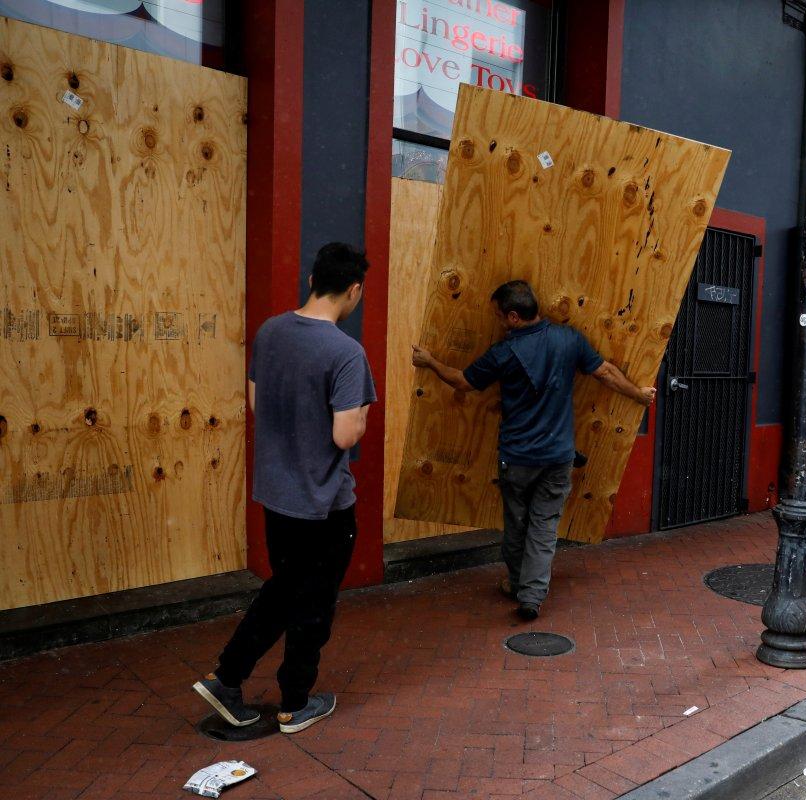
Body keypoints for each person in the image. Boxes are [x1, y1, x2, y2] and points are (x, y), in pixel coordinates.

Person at [193, 242, 375, 734]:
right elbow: (344, 435)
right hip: (323, 504)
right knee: (312, 604)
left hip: (277, 494)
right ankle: (296, 702)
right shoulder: (345, 352)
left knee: (284, 589)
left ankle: (227, 677)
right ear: (354, 289)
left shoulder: (271, 331)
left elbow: (256, 403)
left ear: (313, 278)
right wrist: (358, 418)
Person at [412, 280, 654, 620]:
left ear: (513, 316)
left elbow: (462, 381)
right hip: (557, 457)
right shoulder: (568, 340)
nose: (497, 322)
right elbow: (606, 373)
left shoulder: (503, 353)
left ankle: (516, 584)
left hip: (518, 458)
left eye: (498, 316)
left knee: (517, 524)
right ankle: (532, 596)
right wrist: (638, 395)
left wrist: (430, 362)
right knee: (544, 526)